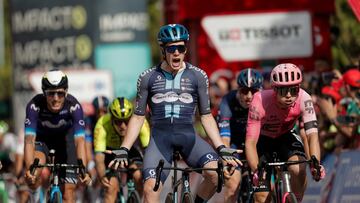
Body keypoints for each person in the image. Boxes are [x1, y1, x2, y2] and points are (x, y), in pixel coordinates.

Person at [108, 24, 241, 203]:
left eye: (181, 47)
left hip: (189, 137)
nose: (177, 52)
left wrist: (221, 147)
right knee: (150, 189)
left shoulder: (198, 76)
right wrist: (124, 148)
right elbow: (138, 117)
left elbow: (206, 116)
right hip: (159, 140)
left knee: (216, 174)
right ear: (163, 50)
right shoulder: (148, 77)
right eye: (172, 48)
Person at [245, 63, 326, 203]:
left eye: (293, 90)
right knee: (262, 198)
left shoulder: (304, 98)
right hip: (263, 141)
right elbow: (250, 142)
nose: (289, 96)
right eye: (283, 91)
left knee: (299, 168)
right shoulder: (259, 100)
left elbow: (312, 135)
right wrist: (255, 170)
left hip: (285, 136)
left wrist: (315, 163)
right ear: (274, 89)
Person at [24, 69, 92, 203]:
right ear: (44, 93)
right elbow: (29, 140)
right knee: (34, 174)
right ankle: (35, 198)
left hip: (66, 143)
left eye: (60, 94)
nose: (56, 98)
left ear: (66, 92)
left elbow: (80, 140)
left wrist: (83, 170)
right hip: (43, 142)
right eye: (51, 94)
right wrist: (29, 170)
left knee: (69, 192)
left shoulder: (74, 106)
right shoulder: (34, 106)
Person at [217, 68, 263, 203]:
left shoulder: (265, 100)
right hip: (234, 144)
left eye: (254, 91)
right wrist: (226, 160)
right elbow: (224, 136)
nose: (249, 96)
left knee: (267, 187)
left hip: (256, 144)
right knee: (232, 185)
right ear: (238, 90)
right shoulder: (228, 101)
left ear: (260, 90)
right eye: (244, 91)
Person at [94, 97, 150, 203]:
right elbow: (99, 157)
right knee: (111, 187)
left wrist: (147, 171)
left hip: (131, 151)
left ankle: (137, 198)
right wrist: (102, 175)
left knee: (139, 177)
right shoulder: (102, 124)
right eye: (118, 122)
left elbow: (148, 150)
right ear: (111, 120)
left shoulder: (140, 122)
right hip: (110, 153)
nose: (123, 126)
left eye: (126, 121)